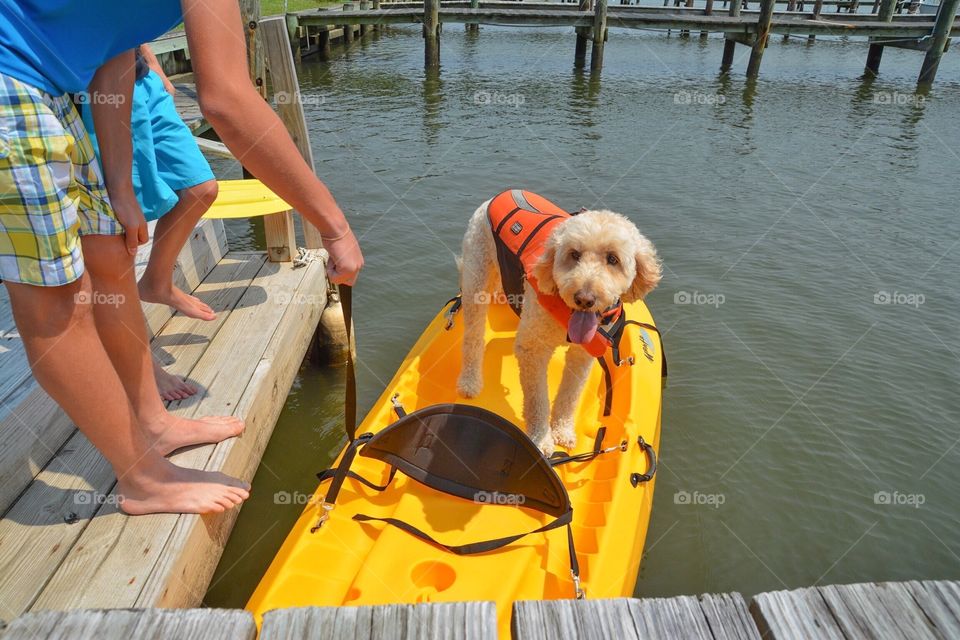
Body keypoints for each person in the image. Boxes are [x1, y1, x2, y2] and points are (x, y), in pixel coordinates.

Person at [0, 0, 364, 515]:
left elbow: (114, 53)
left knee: (110, 251)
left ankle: (153, 422)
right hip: (11, 84)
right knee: (57, 308)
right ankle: (143, 478)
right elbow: (227, 103)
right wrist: (335, 227)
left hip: (53, 91)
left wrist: (121, 187)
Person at [81, 44, 219, 402]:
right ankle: (143, 364)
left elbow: (125, 16)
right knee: (119, 232)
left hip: (142, 78)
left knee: (200, 188)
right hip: (94, 84)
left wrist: (154, 62)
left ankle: (157, 281)